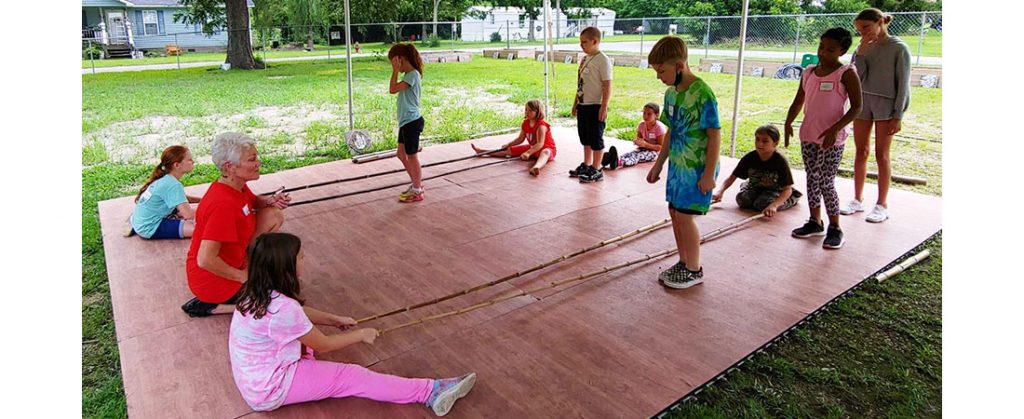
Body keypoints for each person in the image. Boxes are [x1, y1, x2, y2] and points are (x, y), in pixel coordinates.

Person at [229, 232, 476, 416]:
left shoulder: (255, 291)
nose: (304, 260)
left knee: (309, 348)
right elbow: (323, 344)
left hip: (255, 378)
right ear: (285, 267)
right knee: (352, 376)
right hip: (269, 388)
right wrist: (361, 335)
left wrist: (334, 320)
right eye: (300, 257)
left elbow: (299, 313)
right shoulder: (284, 309)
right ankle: (430, 392)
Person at [181, 132, 291, 317]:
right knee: (279, 298)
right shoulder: (222, 204)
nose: (258, 163)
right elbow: (205, 259)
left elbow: (253, 201)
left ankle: (247, 273)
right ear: (229, 166)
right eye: (252, 159)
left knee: (273, 215)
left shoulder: (235, 185)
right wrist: (244, 277)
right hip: (212, 281)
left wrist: (271, 200)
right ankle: (212, 305)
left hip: (235, 260)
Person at [645, 36, 721, 290]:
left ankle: (694, 268)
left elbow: (714, 135)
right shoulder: (670, 94)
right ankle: (683, 260)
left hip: (697, 167)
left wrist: (709, 173)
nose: (659, 77)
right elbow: (671, 132)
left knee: (686, 217)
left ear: (679, 65)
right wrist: (658, 165)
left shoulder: (703, 93)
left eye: (661, 71)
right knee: (674, 213)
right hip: (678, 166)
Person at [785, 27, 863, 249]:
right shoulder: (809, 72)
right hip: (809, 135)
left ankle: (835, 227)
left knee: (826, 182)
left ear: (842, 51)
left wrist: (834, 129)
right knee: (811, 178)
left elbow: (857, 107)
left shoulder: (846, 73)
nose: (823, 53)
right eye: (821, 47)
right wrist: (789, 121)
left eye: (830, 50)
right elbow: (799, 100)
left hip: (832, 139)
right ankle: (814, 221)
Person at [843, 8, 912, 223]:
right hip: (863, 104)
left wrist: (898, 114)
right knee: (861, 151)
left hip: (886, 106)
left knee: (882, 154)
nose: (862, 32)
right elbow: (856, 77)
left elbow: (903, 84)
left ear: (880, 22)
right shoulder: (862, 48)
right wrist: (861, 53)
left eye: (866, 27)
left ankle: (882, 204)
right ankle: (857, 199)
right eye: (859, 29)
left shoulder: (899, 48)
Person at [712, 125, 802, 217]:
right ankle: (748, 186)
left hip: (774, 190)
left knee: (762, 204)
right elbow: (732, 177)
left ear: (775, 143)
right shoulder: (750, 157)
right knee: (742, 200)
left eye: (765, 141)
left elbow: (787, 189)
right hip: (755, 186)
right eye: (757, 139)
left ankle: (791, 199)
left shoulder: (780, 161)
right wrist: (720, 191)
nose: (759, 144)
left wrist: (774, 205)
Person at [126, 145, 202, 239]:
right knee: (200, 229)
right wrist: (213, 210)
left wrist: (202, 200)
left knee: (185, 211)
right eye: (190, 160)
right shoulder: (173, 185)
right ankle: (173, 217)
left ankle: (172, 215)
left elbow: (180, 198)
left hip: (139, 220)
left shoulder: (165, 178)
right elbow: (188, 215)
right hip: (149, 227)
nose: (193, 161)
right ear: (177, 165)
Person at [569, 26, 613, 183]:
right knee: (585, 137)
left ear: (595, 41)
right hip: (583, 104)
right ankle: (587, 164)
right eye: (580, 42)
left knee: (596, 137)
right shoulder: (585, 59)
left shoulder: (603, 60)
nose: (581, 45)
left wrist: (604, 106)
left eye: (584, 42)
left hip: (595, 105)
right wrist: (576, 103)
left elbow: (607, 85)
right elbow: (580, 84)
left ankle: (597, 168)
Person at [471, 99, 557, 176]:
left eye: (530, 110)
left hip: (546, 148)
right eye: (526, 109)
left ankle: (536, 167)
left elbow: (540, 144)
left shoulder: (541, 125)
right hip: (532, 148)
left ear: (538, 112)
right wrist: (509, 144)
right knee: (508, 151)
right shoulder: (525, 123)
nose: (527, 112)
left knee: (545, 152)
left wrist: (528, 153)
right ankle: (482, 151)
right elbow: (520, 139)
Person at [388, 43, 426, 203]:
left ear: (400, 59)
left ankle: (417, 189)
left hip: (412, 121)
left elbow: (393, 89)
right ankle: (416, 184)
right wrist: (396, 69)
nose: (394, 65)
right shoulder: (409, 75)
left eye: (394, 62)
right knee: (401, 154)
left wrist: (395, 71)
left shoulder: (412, 75)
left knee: (412, 156)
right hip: (406, 121)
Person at [602, 102, 665, 170]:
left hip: (655, 153)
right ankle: (611, 159)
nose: (645, 116)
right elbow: (639, 140)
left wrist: (646, 145)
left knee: (637, 156)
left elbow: (661, 147)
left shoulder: (659, 127)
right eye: (644, 113)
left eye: (649, 114)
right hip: (643, 149)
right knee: (629, 154)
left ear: (657, 115)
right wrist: (638, 142)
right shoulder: (641, 125)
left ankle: (619, 162)